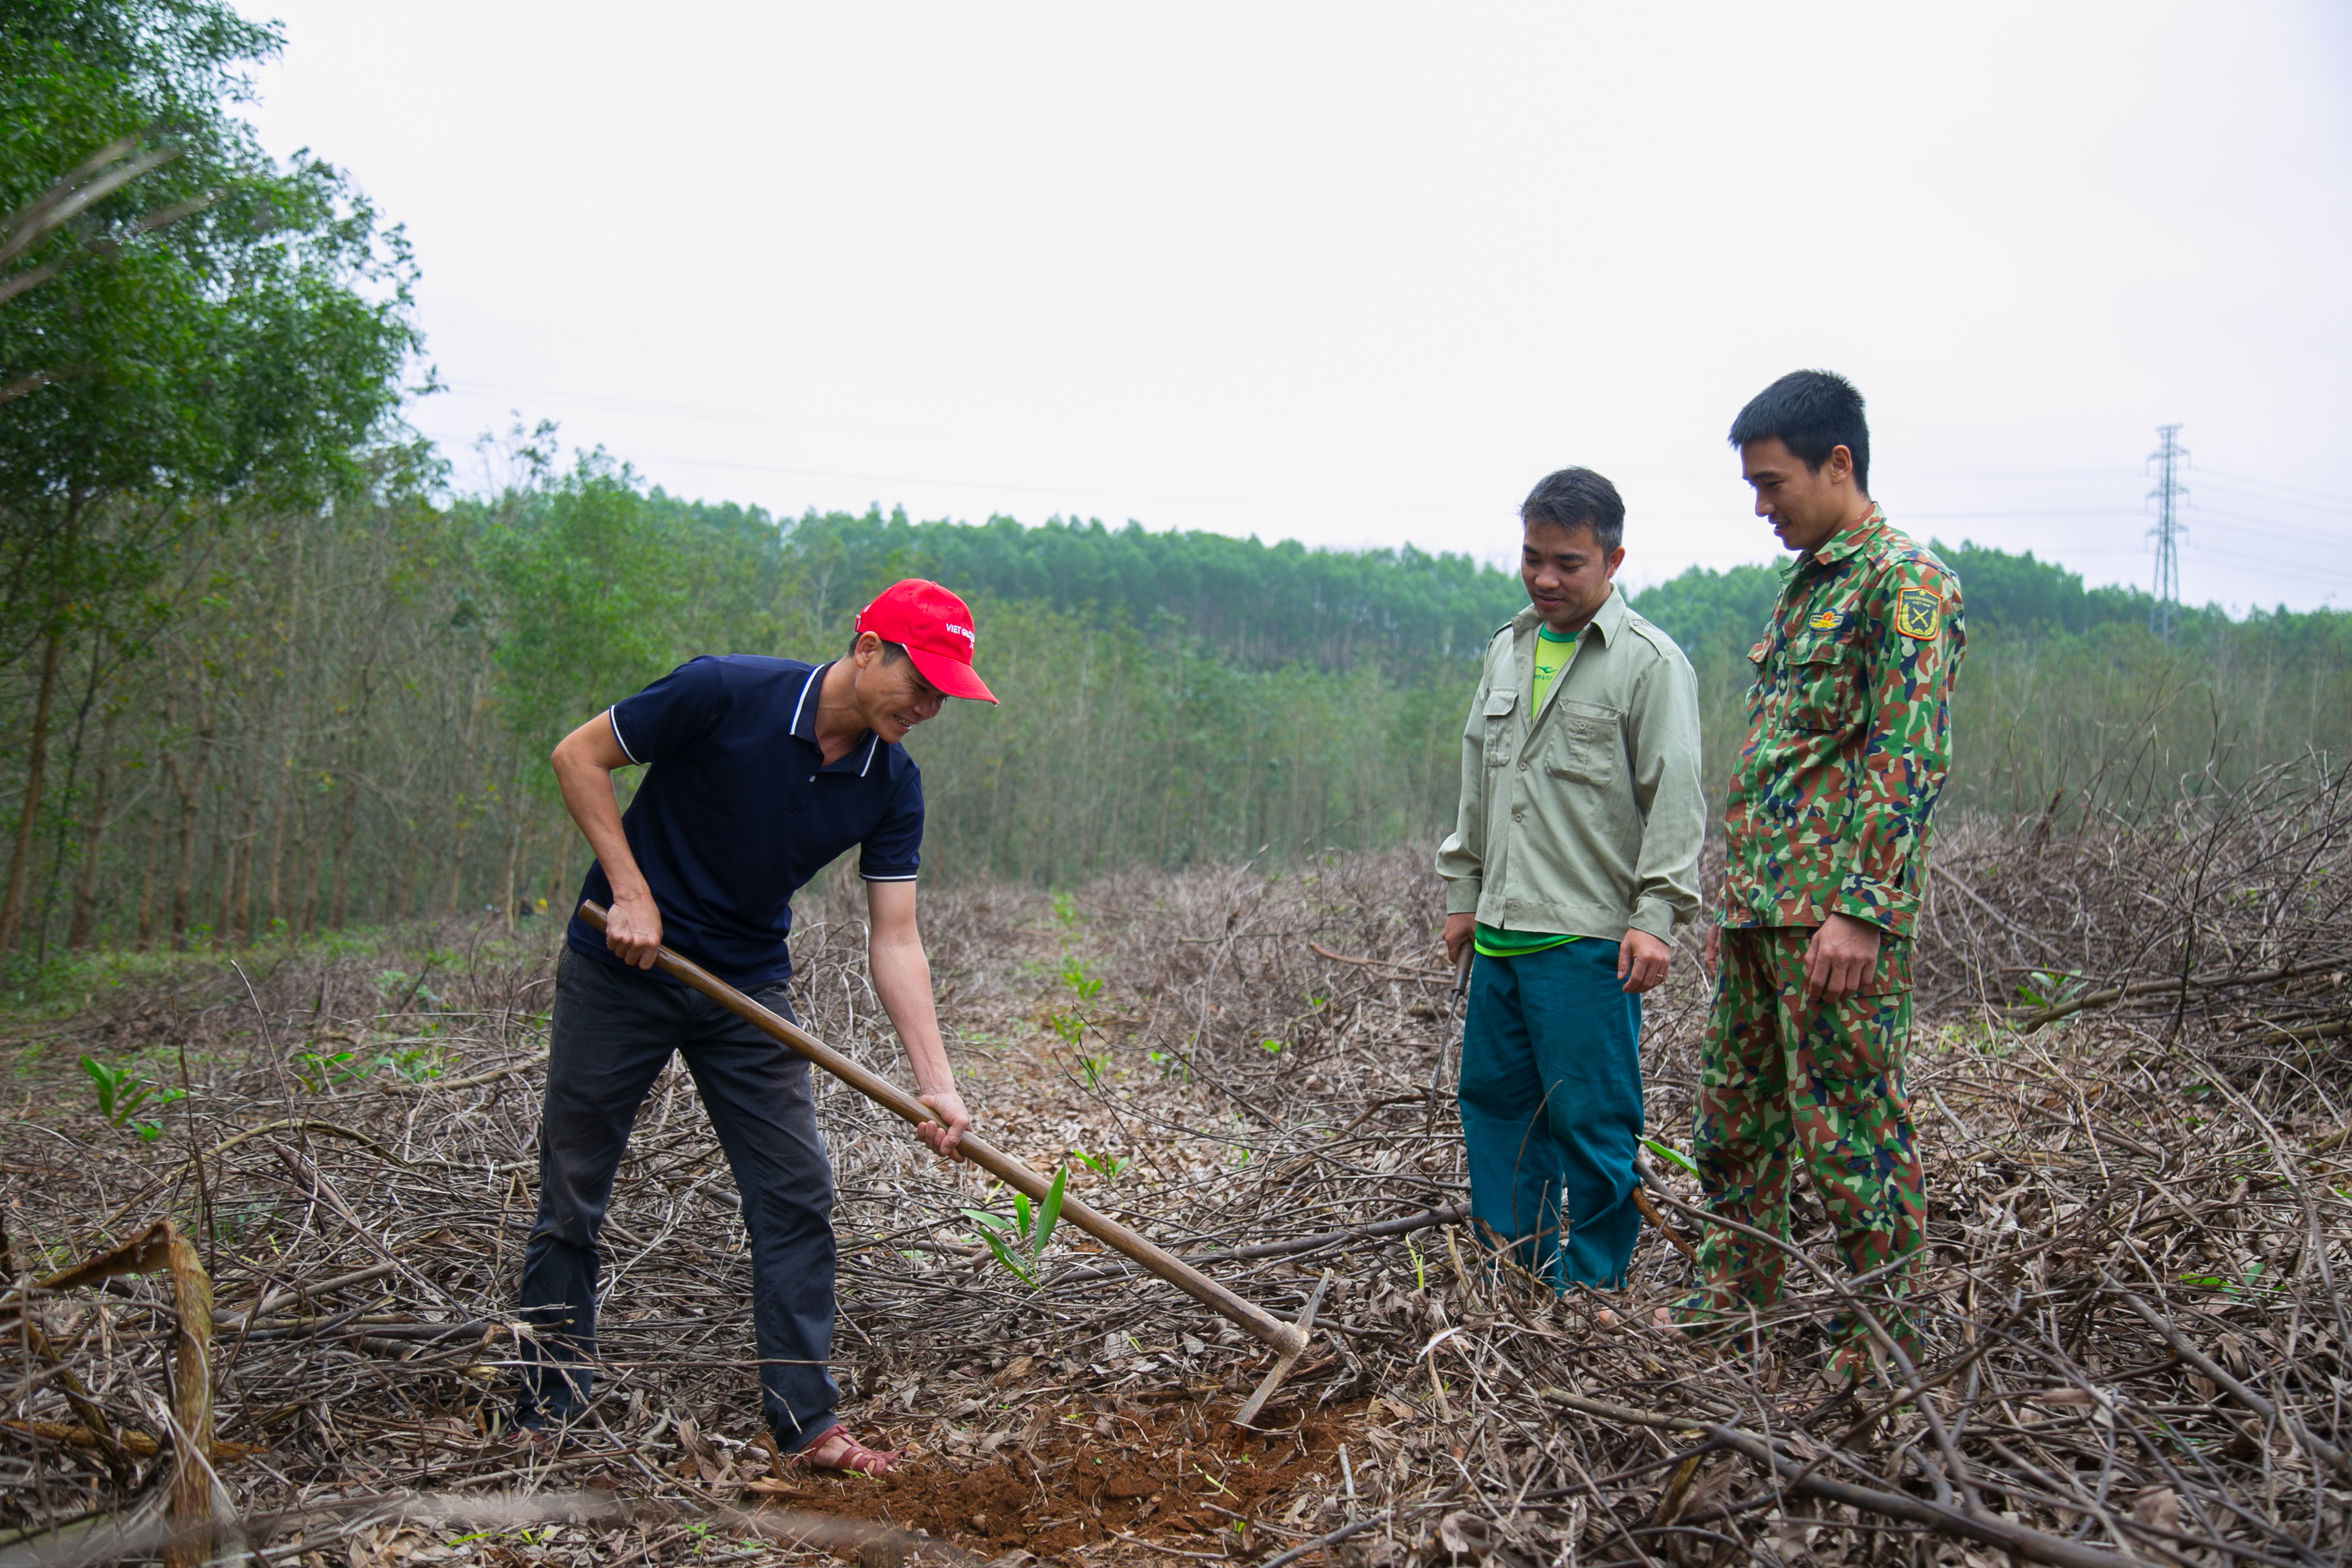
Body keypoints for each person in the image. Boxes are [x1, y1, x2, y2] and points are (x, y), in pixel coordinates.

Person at [514, 579, 995, 1475]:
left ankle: (807, 1425)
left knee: (795, 1192)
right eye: (920, 682)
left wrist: (938, 1084)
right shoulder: (725, 691)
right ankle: (548, 1411)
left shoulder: (891, 783)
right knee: (574, 1189)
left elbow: (896, 938)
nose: (930, 706)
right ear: (866, 648)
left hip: (745, 986)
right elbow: (576, 756)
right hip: (623, 967)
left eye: (944, 693)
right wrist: (629, 890)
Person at [1667, 370, 1966, 1382]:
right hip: (1764, 914)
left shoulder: (1903, 583)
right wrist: (1739, 904)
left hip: (1835, 924)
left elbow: (1906, 755)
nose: (1762, 507)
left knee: (1850, 1132)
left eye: (1773, 483)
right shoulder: (1808, 585)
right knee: (1735, 1121)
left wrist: (1864, 911)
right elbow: (1788, 758)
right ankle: (1731, 1307)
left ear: (1839, 463)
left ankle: (1876, 1345)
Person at [1436, 468, 1707, 1293]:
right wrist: (1462, 892)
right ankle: (1511, 1279)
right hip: (1501, 932)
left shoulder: (1649, 664)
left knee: (1591, 1122)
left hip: (1587, 940)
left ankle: (1591, 1288)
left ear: (1614, 559)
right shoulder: (1509, 648)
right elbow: (1478, 782)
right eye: (1532, 558)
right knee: (1494, 1111)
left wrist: (1657, 915)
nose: (1545, 579)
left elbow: (1676, 794)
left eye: (1567, 563)